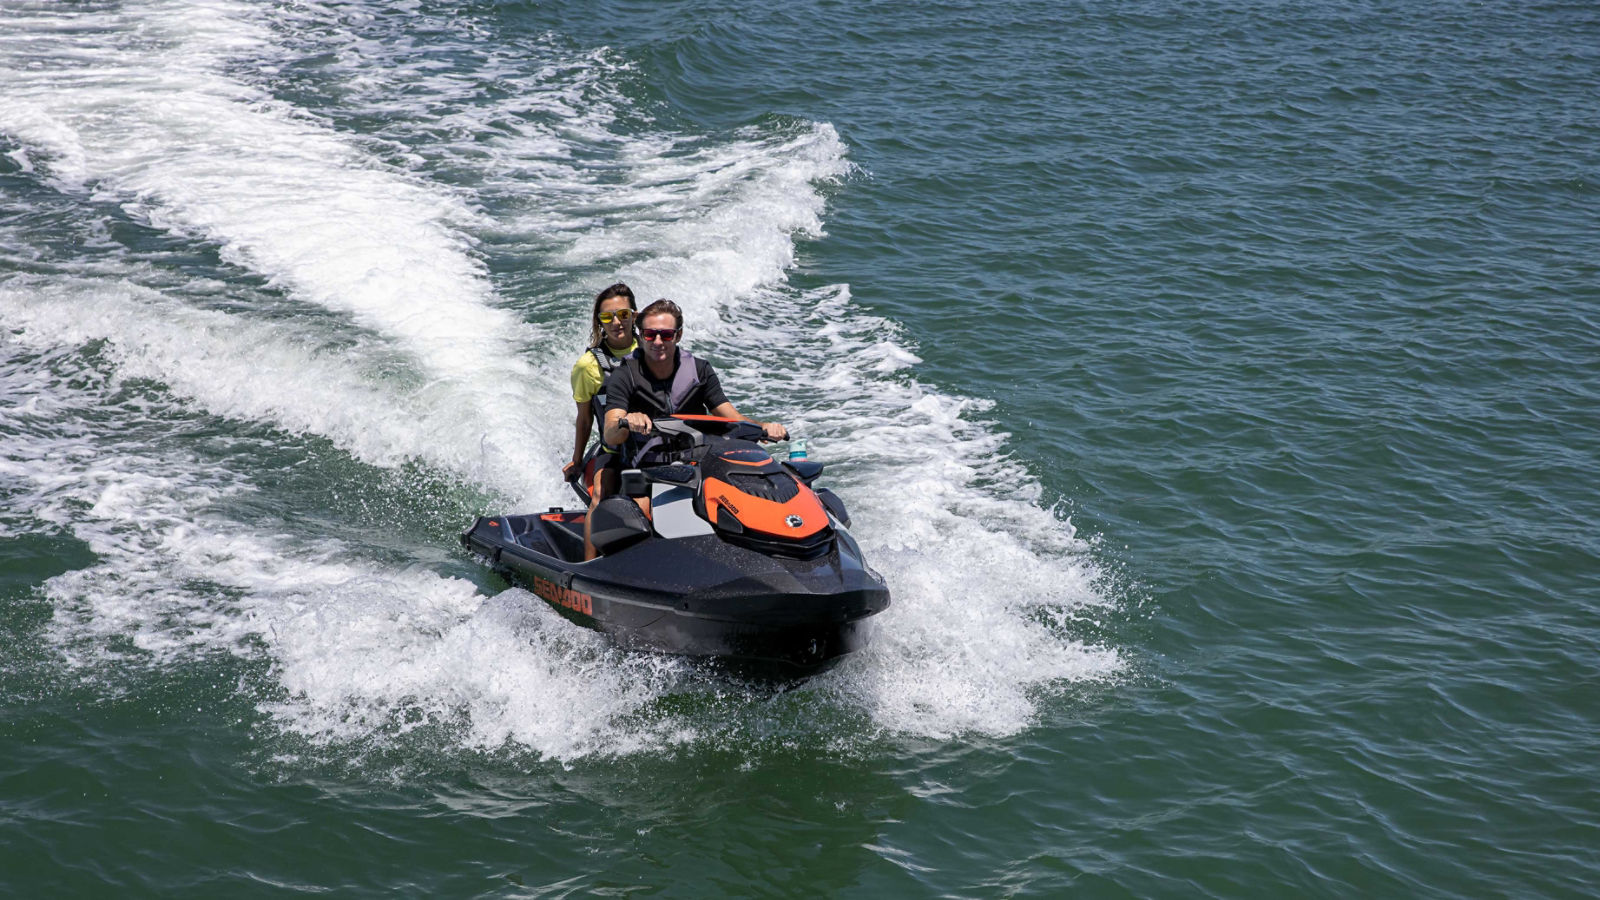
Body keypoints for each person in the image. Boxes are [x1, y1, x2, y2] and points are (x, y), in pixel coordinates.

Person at [600, 299, 787, 517]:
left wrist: (764, 427)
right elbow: (611, 432)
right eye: (650, 335)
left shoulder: (700, 370)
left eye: (666, 335)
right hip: (646, 470)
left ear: (678, 335)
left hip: (697, 465)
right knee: (640, 511)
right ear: (641, 335)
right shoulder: (624, 375)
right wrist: (629, 420)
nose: (657, 341)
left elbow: (732, 419)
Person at [565, 282, 637, 559]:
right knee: (600, 495)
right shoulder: (588, 366)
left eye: (623, 314)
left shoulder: (653, 352)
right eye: (607, 317)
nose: (616, 322)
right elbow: (584, 420)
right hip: (614, 450)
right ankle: (590, 567)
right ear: (599, 322)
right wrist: (577, 459)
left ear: (635, 316)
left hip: (656, 446)